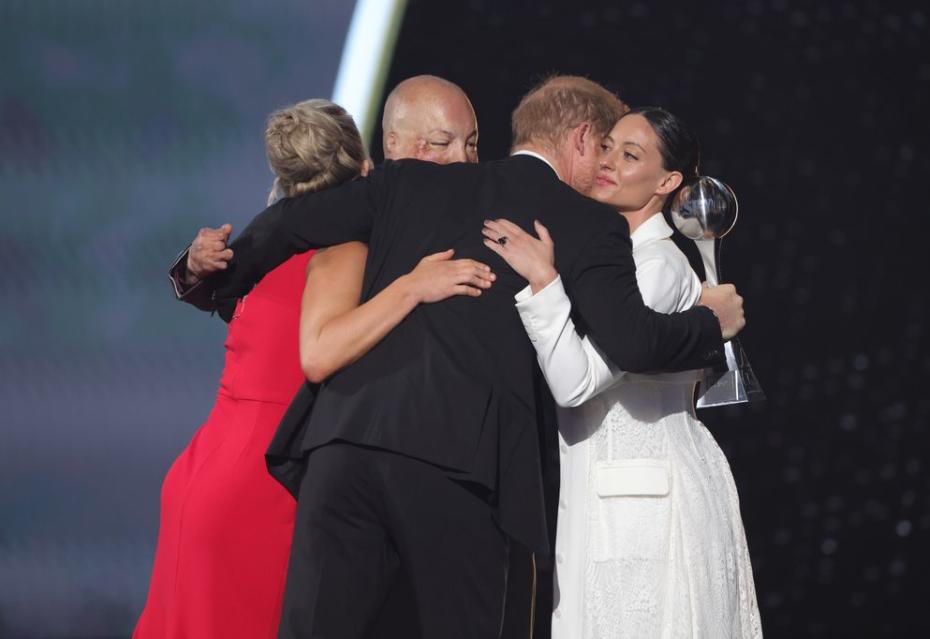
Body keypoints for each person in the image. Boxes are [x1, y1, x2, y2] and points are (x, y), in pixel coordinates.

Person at [178, 75, 745, 638]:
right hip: (460, 471)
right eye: (604, 149)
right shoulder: (584, 221)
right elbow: (635, 342)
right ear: (578, 139)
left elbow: (290, 222)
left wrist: (200, 273)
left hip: (343, 450)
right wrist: (710, 325)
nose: (604, 170)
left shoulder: (407, 183)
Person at [136, 89, 490, 638]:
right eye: (445, 144)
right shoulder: (345, 252)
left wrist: (191, 268)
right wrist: (415, 286)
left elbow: (218, 289)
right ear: (372, 164)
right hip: (268, 482)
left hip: (203, 473)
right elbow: (321, 354)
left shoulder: (265, 255)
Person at [486, 108, 763, 637]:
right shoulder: (621, 256)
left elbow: (576, 384)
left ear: (668, 182)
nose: (609, 163)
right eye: (608, 147)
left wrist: (543, 281)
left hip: (643, 505)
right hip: (621, 493)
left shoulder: (656, 266)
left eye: (630, 155)